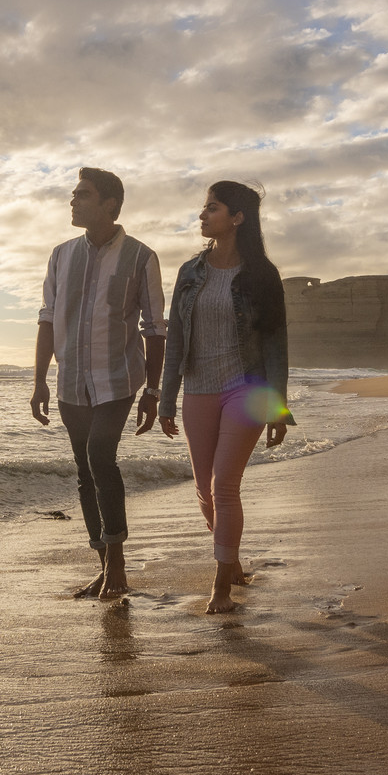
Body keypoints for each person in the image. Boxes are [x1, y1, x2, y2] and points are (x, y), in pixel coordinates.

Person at [32, 167, 166, 602]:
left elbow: (155, 328)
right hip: (70, 380)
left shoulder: (141, 257)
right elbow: (48, 319)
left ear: (109, 204)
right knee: (84, 473)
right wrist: (39, 381)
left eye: (83, 195)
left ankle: (119, 565)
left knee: (99, 456)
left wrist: (153, 391)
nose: (73, 201)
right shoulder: (60, 255)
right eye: (73, 194)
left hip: (118, 379)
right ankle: (103, 565)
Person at [157, 180, 291, 614]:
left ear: (236, 218)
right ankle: (231, 561)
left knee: (224, 485)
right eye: (204, 208)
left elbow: (275, 345)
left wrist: (278, 408)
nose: (202, 215)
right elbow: (175, 338)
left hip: (245, 389)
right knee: (204, 490)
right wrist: (164, 396)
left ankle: (221, 586)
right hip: (197, 388)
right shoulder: (189, 273)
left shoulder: (262, 277)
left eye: (212, 208)